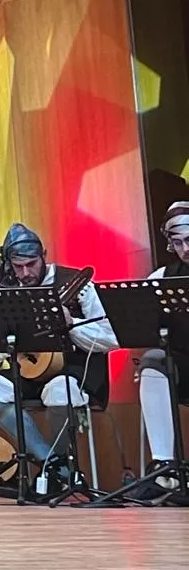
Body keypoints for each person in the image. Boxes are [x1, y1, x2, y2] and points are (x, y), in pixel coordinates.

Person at [0, 223, 116, 487]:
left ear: (44, 256)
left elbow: (111, 337)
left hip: (75, 371)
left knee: (59, 391)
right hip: (30, 373)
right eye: (18, 267)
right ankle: (54, 465)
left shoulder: (77, 284)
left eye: (31, 264)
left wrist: (69, 324)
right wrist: (8, 342)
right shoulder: (8, 293)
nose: (25, 273)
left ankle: (55, 468)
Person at [138, 202, 188, 484]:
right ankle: (164, 469)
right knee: (153, 362)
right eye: (178, 243)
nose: (185, 249)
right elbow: (142, 326)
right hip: (184, 366)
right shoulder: (160, 279)